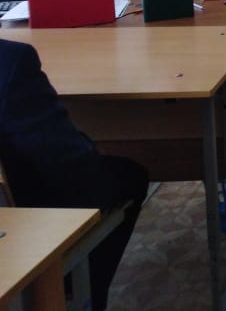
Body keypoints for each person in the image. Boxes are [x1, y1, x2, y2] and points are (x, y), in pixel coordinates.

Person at [0, 38, 149, 311]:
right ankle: (77, 296)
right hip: (22, 236)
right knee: (130, 176)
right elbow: (68, 163)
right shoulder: (11, 61)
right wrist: (91, 148)